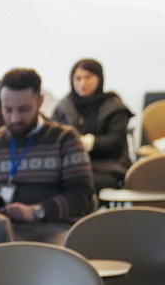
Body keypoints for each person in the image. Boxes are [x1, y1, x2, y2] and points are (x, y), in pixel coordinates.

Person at [0, 68, 95, 244]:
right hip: (0, 229)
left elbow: (81, 194)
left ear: (40, 101)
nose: (15, 118)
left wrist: (36, 212)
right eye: (8, 109)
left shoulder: (64, 139)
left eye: (23, 109)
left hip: (53, 227)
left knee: (54, 255)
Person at [51, 58, 134, 192]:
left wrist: (90, 142)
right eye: (77, 78)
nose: (82, 83)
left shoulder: (113, 107)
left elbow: (116, 142)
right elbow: (52, 135)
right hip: (70, 166)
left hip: (107, 166)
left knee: (83, 185)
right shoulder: (64, 106)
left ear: (99, 78)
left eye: (88, 77)